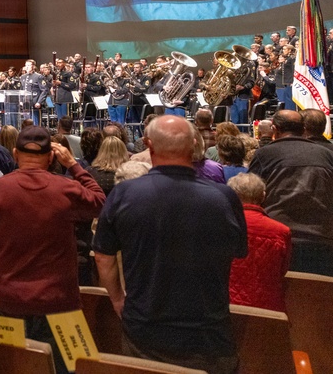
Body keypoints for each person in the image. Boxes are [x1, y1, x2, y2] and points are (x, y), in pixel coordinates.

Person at [93, 115, 247, 374]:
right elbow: (239, 252)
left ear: (148, 144)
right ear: (194, 144)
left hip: (145, 327)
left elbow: (103, 256)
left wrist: (118, 300)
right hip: (209, 332)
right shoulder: (225, 197)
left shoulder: (124, 194)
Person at [0, 126, 106, 374]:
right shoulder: (65, 188)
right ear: (51, 157)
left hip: (11, 299)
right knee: (64, 368)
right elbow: (101, 202)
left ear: (15, 154)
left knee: (13, 368)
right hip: (58, 301)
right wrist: (74, 165)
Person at [248, 109, 333, 275]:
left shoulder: (265, 154)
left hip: (278, 237)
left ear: (275, 129)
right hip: (322, 239)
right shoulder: (327, 155)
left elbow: (251, 195)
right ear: (303, 129)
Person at [227, 173, 291, 312]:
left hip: (224, 305)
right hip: (268, 309)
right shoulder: (281, 231)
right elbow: (283, 270)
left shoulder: (219, 225)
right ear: (263, 196)